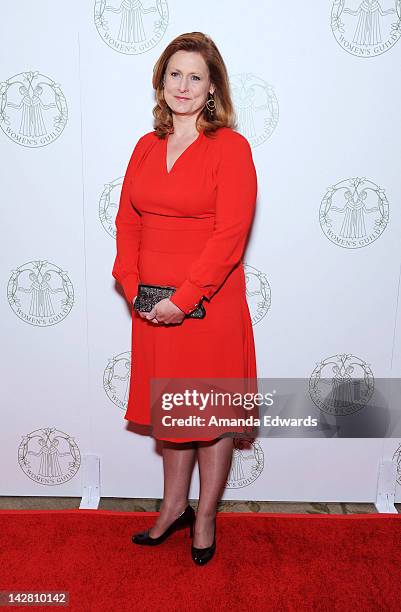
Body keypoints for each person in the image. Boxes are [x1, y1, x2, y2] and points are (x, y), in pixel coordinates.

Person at [112, 31, 258, 565]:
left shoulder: (231, 149)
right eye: (175, 73)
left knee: (210, 417)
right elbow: (128, 221)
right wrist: (131, 284)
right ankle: (173, 508)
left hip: (208, 307)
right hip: (152, 305)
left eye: (196, 76)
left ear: (212, 86)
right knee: (173, 415)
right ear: (161, 80)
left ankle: (206, 517)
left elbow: (230, 236)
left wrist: (186, 296)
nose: (184, 85)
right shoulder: (145, 146)